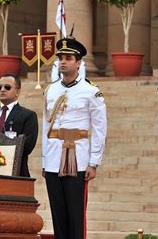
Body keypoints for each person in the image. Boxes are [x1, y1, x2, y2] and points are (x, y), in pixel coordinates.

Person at [42, 37, 107, 239]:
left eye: (68, 58)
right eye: (60, 57)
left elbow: (99, 127)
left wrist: (94, 162)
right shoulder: (51, 89)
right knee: (58, 213)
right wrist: (45, 160)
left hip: (78, 158)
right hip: (54, 157)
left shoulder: (90, 91)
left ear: (78, 63)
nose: (63, 61)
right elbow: (46, 125)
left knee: (76, 213)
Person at [0, 73, 38, 177]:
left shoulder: (28, 115)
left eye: (7, 87)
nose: (2, 90)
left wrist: (0, 155)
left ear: (17, 92)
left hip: (16, 172)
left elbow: (28, 146)